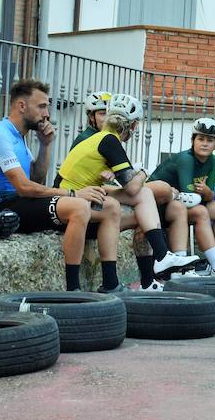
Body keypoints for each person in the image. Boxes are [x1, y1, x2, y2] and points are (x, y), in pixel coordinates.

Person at [0, 79, 112, 292]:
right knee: (79, 207)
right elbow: (23, 186)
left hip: (23, 201)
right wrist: (73, 193)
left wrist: (45, 145)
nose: (47, 113)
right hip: (5, 207)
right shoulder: (0, 135)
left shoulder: (19, 137)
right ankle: (73, 290)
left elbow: (37, 178)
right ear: (22, 106)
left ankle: (111, 282)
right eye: (41, 106)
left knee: (109, 207)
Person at [54, 93, 199, 291]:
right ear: (131, 126)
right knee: (144, 194)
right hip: (71, 202)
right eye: (136, 125)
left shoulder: (100, 138)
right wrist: (144, 172)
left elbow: (130, 186)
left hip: (83, 195)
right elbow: (132, 186)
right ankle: (159, 259)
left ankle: (157, 267)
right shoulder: (110, 141)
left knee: (145, 197)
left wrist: (135, 177)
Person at [147, 116, 215, 275]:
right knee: (194, 210)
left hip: (180, 203)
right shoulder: (186, 159)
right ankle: (181, 268)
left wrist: (206, 192)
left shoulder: (211, 160)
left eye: (210, 140)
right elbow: (188, 198)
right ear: (193, 141)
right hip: (157, 207)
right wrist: (203, 194)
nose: (204, 143)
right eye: (201, 139)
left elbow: (210, 196)